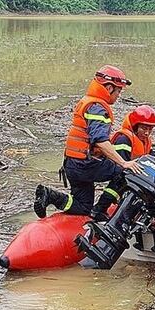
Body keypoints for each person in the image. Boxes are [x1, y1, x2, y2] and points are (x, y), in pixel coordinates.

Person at [33, 65, 142, 220]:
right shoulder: (97, 108)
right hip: (85, 165)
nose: (118, 95)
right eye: (118, 91)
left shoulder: (88, 102)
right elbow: (100, 140)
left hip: (72, 164)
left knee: (83, 206)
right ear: (109, 88)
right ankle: (102, 208)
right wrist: (124, 163)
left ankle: (50, 196)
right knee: (124, 173)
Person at [89, 104, 155, 218]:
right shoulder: (124, 139)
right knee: (120, 180)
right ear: (136, 127)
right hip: (115, 170)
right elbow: (121, 164)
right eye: (144, 129)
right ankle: (100, 208)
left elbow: (152, 159)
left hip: (133, 171)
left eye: (150, 129)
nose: (147, 133)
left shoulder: (145, 141)